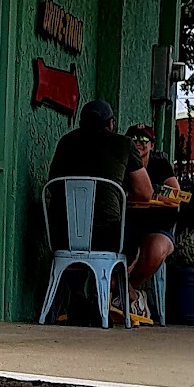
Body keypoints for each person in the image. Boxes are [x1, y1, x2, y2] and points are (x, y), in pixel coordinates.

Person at [45, 102, 139, 322]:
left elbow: (53, 184)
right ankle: (106, 292)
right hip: (106, 239)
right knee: (133, 236)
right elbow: (145, 192)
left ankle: (78, 295)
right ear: (111, 124)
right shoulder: (123, 144)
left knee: (77, 232)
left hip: (63, 235)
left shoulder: (66, 142)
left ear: (81, 123)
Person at [124, 122, 181, 321]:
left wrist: (154, 191)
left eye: (144, 140)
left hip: (157, 223)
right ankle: (126, 295)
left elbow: (175, 194)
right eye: (134, 139)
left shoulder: (160, 163)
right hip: (128, 223)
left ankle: (129, 289)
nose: (139, 143)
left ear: (152, 145)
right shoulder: (121, 161)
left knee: (157, 249)